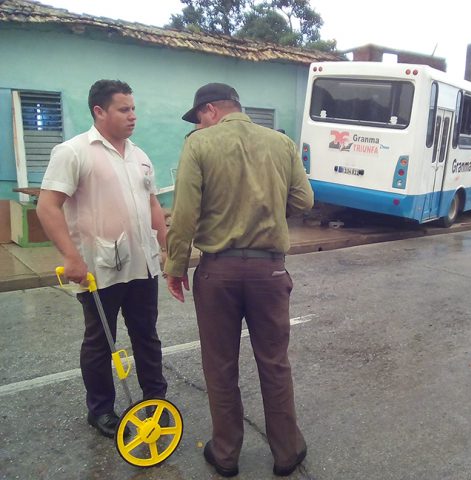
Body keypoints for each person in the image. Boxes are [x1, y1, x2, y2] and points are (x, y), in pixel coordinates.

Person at [164, 83, 313, 477]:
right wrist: (265, 204)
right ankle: (286, 453)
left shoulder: (199, 145)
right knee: (274, 363)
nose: (198, 124)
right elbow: (304, 201)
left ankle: (226, 453)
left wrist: (175, 266)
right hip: (270, 271)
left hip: (218, 273)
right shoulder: (280, 144)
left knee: (220, 365)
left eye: (198, 116)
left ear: (210, 110)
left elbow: (183, 215)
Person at [36, 79, 168, 438]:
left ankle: (155, 401)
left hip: (143, 265)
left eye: (133, 108)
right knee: (100, 342)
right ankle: (101, 410)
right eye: (124, 109)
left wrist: (167, 247)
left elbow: (153, 204)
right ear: (99, 111)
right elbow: (47, 206)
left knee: (147, 336)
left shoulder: (139, 155)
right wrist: (70, 256)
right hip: (100, 269)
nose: (133, 116)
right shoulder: (74, 152)